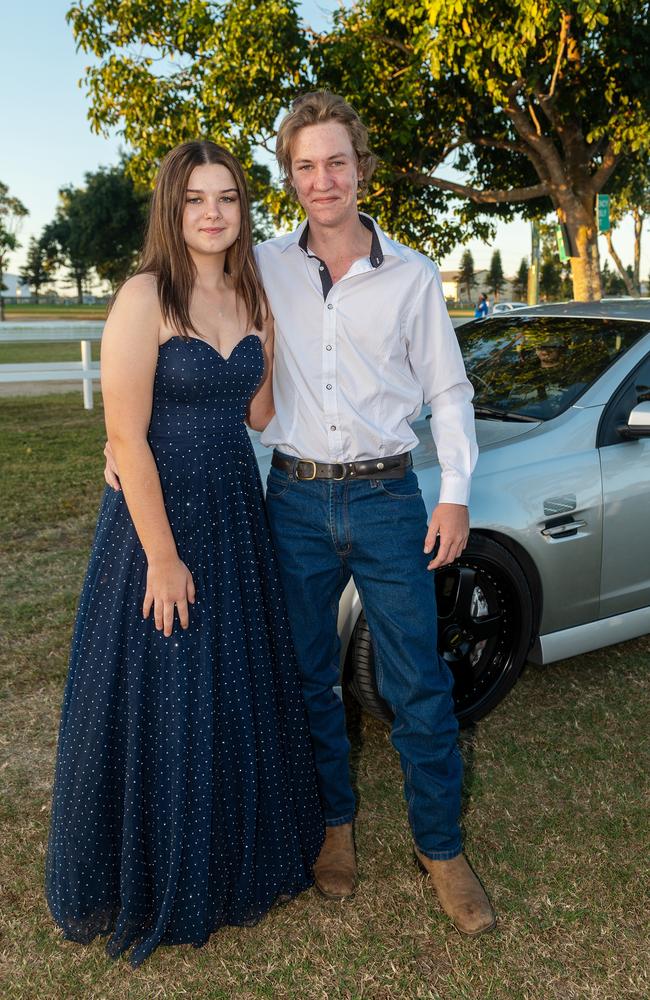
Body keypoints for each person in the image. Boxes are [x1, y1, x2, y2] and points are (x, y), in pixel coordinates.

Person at [106, 93, 496, 937]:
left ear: (361, 167)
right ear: (289, 179)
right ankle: (334, 829)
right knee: (308, 677)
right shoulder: (262, 266)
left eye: (337, 163)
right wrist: (126, 443)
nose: (323, 181)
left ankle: (441, 849)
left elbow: (448, 390)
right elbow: (192, 373)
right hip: (291, 497)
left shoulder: (414, 275)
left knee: (418, 683)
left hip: (390, 498)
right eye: (305, 167)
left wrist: (456, 489)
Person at [46, 140, 324, 968]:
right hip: (156, 521)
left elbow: (264, 415)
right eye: (196, 198)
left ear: (243, 210)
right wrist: (162, 558)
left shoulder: (253, 295)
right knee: (165, 686)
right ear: (172, 209)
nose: (212, 212)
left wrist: (285, 352)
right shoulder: (145, 296)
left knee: (233, 683)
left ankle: (231, 849)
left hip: (236, 509)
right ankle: (163, 863)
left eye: (228, 198)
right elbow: (125, 438)